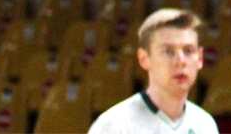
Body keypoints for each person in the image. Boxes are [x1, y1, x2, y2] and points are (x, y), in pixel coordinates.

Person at [88, 9, 219, 134]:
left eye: (188, 50)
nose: (181, 61)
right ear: (144, 59)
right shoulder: (115, 125)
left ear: (200, 58)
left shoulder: (205, 124)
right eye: (168, 51)